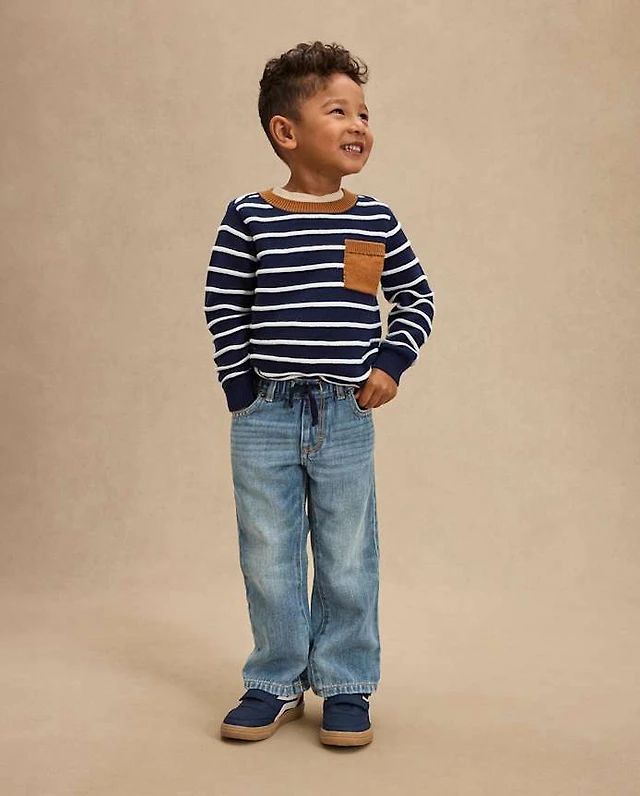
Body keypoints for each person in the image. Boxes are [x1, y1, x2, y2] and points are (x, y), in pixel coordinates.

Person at [203, 40, 435, 747]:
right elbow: (223, 303)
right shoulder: (249, 215)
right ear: (286, 131)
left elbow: (417, 299)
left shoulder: (375, 220)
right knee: (269, 551)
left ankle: (344, 683)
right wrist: (241, 388)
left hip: (344, 412)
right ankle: (274, 681)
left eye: (364, 113)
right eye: (339, 111)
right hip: (265, 413)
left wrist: (390, 364)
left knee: (347, 553)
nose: (359, 124)